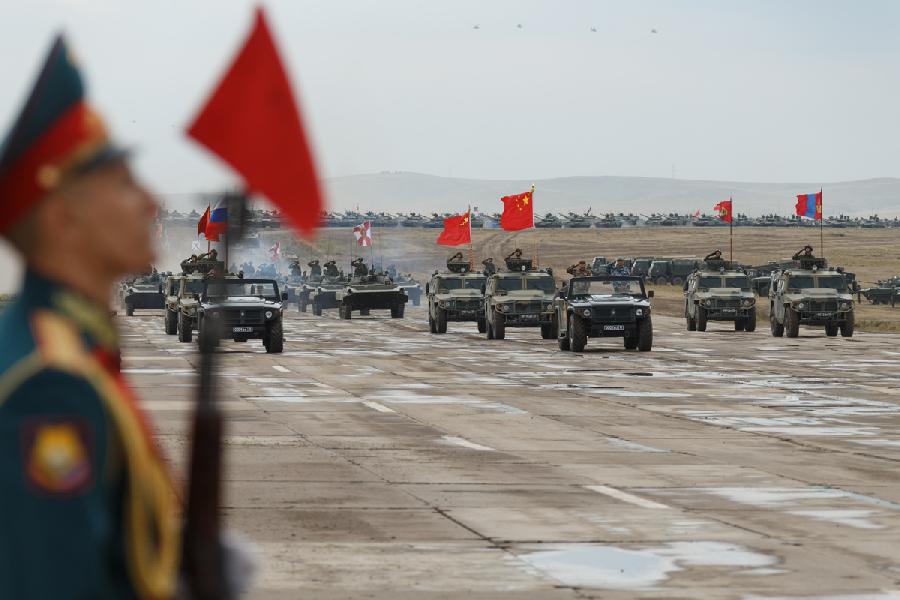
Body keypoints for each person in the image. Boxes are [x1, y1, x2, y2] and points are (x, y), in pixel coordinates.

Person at [0, 36, 179, 597]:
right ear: (63, 218)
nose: (151, 202)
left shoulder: (70, 348)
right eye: (124, 184)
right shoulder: (51, 386)